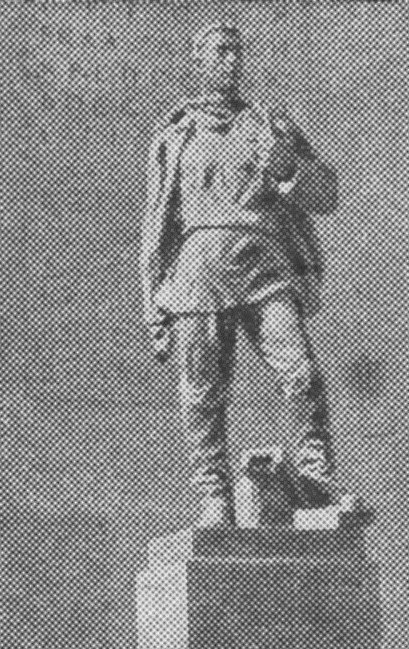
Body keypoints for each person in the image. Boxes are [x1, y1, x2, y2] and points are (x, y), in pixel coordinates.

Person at [141, 22, 352, 528]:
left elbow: (327, 195)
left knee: (301, 372)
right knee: (201, 390)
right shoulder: (176, 135)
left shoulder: (268, 123)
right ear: (198, 62)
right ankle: (213, 495)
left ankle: (315, 476)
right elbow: (156, 223)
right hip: (197, 272)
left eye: (237, 51)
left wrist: (288, 169)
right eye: (221, 52)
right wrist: (152, 302)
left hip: (262, 262)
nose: (232, 61)